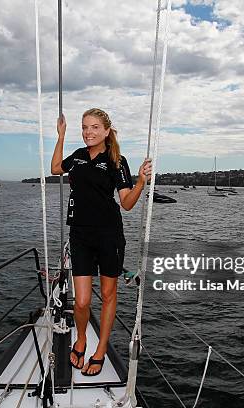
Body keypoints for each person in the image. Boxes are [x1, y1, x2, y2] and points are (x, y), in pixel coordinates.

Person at [51, 108, 152, 376]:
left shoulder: (117, 160)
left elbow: (127, 203)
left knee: (108, 295)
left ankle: (100, 350)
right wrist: (61, 136)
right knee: (82, 301)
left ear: (106, 131)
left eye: (94, 127)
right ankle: (81, 339)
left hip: (109, 236)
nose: (88, 132)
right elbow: (54, 168)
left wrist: (141, 182)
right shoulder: (79, 156)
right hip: (80, 235)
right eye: (84, 127)